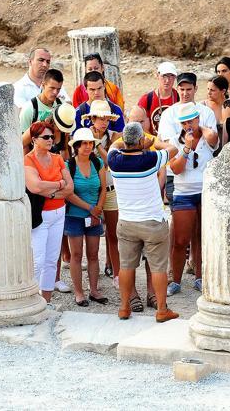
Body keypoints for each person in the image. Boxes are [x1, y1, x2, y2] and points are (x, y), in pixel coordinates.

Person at [108, 122, 180, 322]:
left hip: (127, 222)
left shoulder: (113, 160)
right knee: (158, 268)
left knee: (126, 266)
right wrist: (151, 144)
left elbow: (114, 146)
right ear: (140, 140)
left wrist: (134, 144)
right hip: (152, 222)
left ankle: (124, 307)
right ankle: (162, 310)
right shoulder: (151, 158)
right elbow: (173, 149)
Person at [166, 103, 219, 296]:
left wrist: (200, 128)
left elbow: (213, 137)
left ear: (198, 119)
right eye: (184, 122)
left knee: (202, 237)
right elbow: (177, 169)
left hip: (205, 192)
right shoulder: (175, 141)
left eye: (191, 120)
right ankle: (176, 280)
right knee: (181, 240)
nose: (188, 124)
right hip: (184, 192)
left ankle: (200, 277)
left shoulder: (207, 136)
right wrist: (186, 148)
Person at [24, 122, 74, 306]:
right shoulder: (28, 160)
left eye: (52, 136)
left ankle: (45, 301)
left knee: (52, 259)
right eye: (46, 137)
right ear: (34, 139)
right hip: (41, 215)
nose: (50, 140)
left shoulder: (57, 158)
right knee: (37, 260)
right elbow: (34, 186)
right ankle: (32, 302)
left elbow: (70, 187)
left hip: (58, 212)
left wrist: (51, 190)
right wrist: (58, 184)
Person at [158, 73, 218, 202]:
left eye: (189, 89)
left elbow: (213, 141)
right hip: (175, 175)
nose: (185, 93)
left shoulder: (206, 112)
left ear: (195, 89)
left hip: (203, 176)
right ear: (177, 89)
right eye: (182, 89)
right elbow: (170, 145)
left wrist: (199, 128)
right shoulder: (168, 113)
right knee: (177, 217)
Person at [81, 100, 122, 287]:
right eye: (100, 118)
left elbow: (110, 162)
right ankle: (93, 278)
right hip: (92, 191)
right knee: (92, 236)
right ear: (93, 118)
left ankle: (117, 274)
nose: (104, 122)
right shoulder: (82, 137)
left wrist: (97, 145)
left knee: (113, 234)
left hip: (110, 189)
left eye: (107, 118)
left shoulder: (114, 136)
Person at [65, 127, 107, 306]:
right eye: (84, 143)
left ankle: (94, 290)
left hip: (94, 214)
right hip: (75, 215)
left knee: (93, 254)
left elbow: (103, 188)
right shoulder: (69, 165)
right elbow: (68, 193)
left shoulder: (97, 163)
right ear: (76, 146)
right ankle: (79, 292)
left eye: (90, 143)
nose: (88, 146)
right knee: (76, 254)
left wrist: (98, 208)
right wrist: (91, 208)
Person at [13, 47, 69, 111]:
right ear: (30, 62)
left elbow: (68, 104)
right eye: (41, 60)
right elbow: (24, 112)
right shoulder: (18, 87)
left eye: (48, 62)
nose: (45, 65)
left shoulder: (54, 83)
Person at [137, 62, 180, 135]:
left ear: (175, 78)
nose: (167, 80)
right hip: (152, 143)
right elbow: (137, 124)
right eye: (164, 76)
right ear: (157, 76)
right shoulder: (147, 99)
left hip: (174, 142)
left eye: (171, 76)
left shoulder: (179, 96)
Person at [19, 69, 66, 134]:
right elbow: (22, 142)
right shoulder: (29, 109)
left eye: (58, 89)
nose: (55, 92)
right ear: (43, 85)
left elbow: (67, 136)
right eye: (52, 88)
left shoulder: (62, 106)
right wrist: (42, 125)